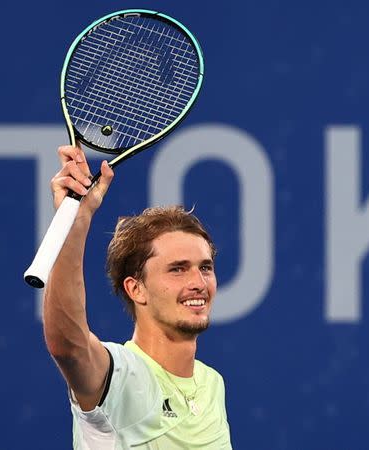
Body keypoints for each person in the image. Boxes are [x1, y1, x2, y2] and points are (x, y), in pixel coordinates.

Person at [43, 145, 233, 449]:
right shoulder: (123, 378)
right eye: (177, 269)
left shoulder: (211, 384)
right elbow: (68, 346)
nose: (198, 282)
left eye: (205, 267)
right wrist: (76, 223)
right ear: (136, 289)